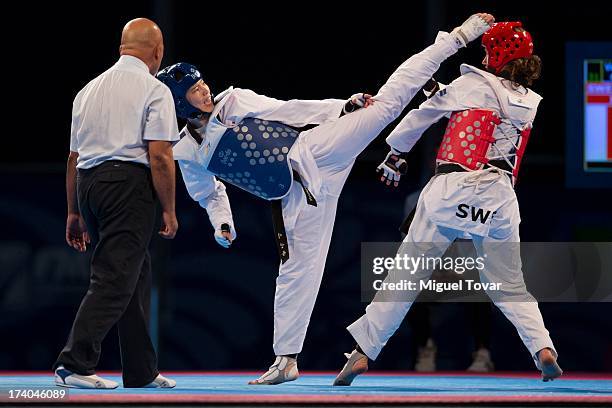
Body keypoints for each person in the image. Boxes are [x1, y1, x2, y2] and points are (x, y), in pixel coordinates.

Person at [157, 13, 494, 385]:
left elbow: (289, 109)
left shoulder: (233, 101)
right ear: (179, 103)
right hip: (297, 196)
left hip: (313, 152)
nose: (204, 89)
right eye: (194, 89)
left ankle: (455, 39)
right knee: (296, 270)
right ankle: (285, 360)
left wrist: (342, 107)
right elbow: (208, 192)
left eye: (202, 82)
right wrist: (222, 222)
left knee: (386, 105)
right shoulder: (185, 150)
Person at [334, 21, 563, 386]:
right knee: (509, 284)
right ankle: (543, 348)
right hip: (500, 199)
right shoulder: (530, 102)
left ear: (499, 54)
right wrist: (440, 92)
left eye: (489, 49)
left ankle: (362, 353)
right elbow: (478, 106)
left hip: (454, 189)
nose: (484, 55)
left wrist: (396, 153)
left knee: (406, 276)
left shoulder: (470, 83)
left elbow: (424, 115)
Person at [54, 18, 179, 389]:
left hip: (90, 185)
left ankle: (141, 370)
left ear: (123, 47)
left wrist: (74, 211)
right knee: (114, 274)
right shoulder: (154, 90)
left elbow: (74, 158)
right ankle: (74, 362)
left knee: (133, 272)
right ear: (158, 52)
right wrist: (169, 209)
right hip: (127, 186)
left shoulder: (87, 91)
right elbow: (160, 156)